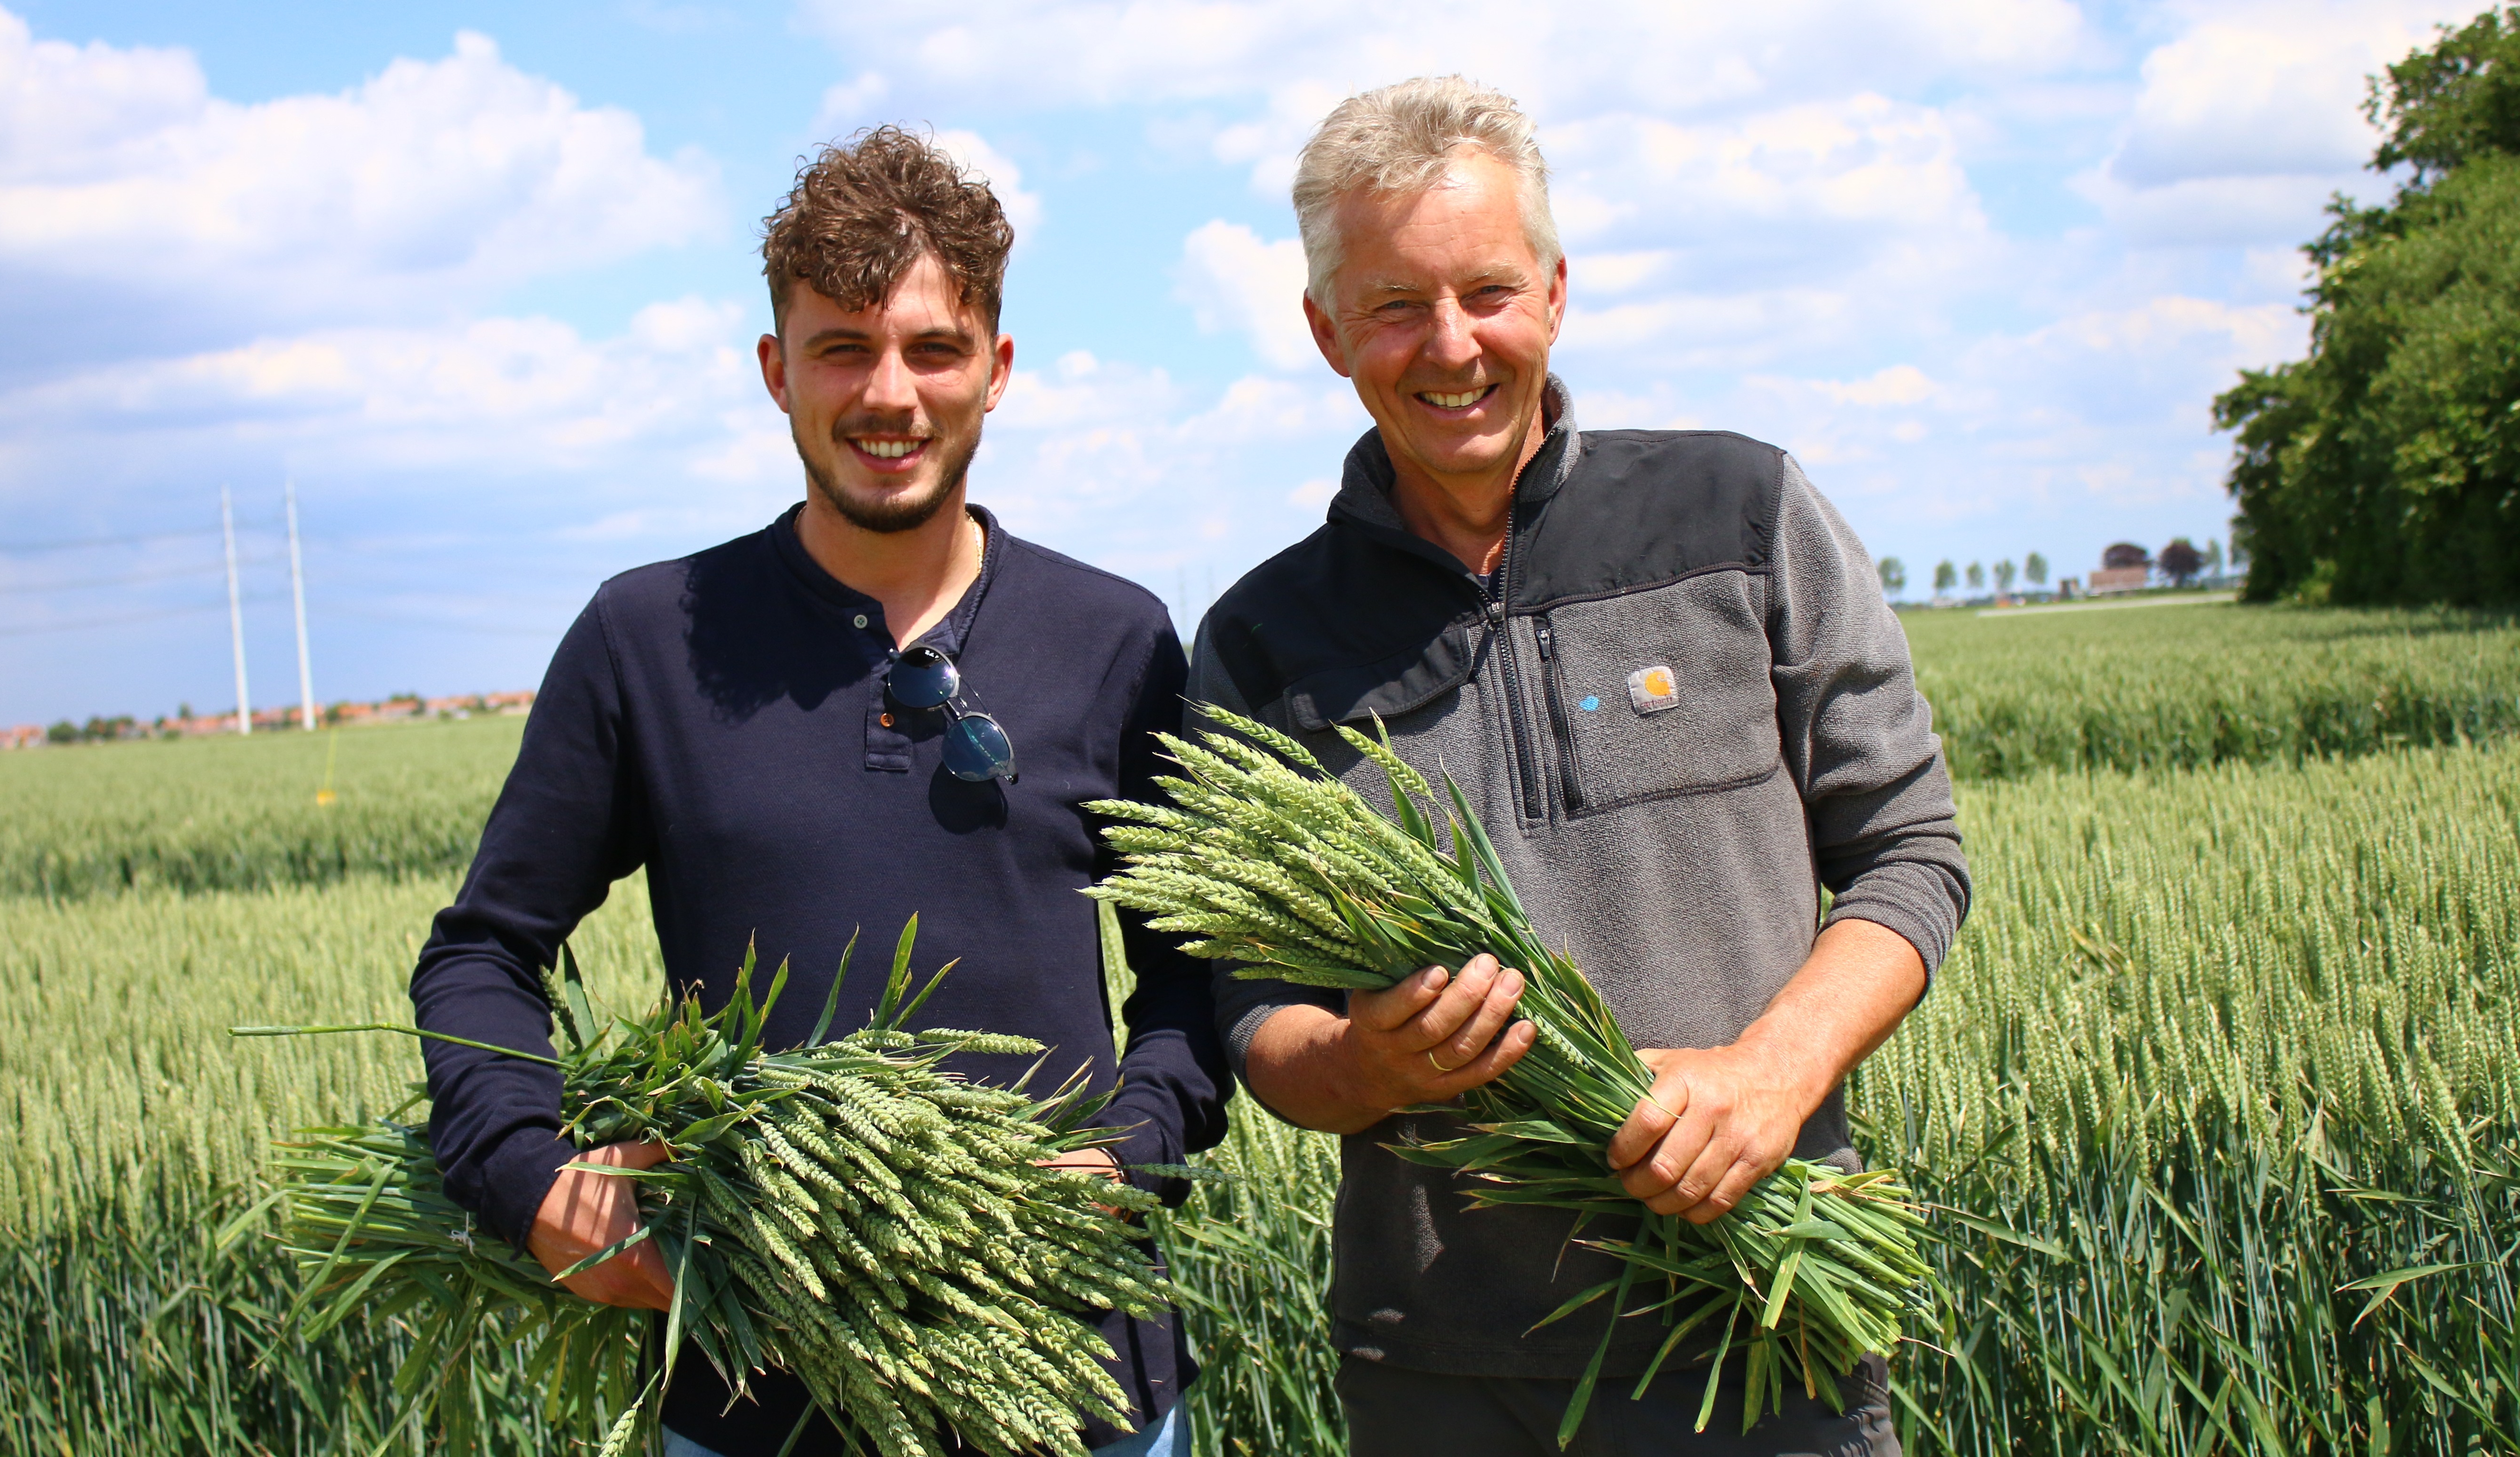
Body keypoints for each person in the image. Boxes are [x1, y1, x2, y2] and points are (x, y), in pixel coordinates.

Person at [409, 126, 1228, 1457]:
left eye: (933, 349)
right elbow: (484, 952)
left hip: (1084, 1389)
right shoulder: (645, 640)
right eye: (843, 349)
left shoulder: (1117, 641)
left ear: (998, 369)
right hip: (756, 1397)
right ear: (774, 370)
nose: (889, 395)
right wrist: (527, 1174)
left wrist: (1127, 1151)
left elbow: (1194, 977)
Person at [1193, 79, 1970, 1457]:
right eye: (1395, 305)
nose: (1453, 346)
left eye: (1489, 291)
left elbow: (1909, 852)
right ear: (1327, 332)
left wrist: (1770, 1075)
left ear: (1554, 293)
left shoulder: (1742, 513)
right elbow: (1255, 1022)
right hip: (1447, 1379)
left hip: (1765, 1325)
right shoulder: (1263, 642)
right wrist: (1368, 1065)